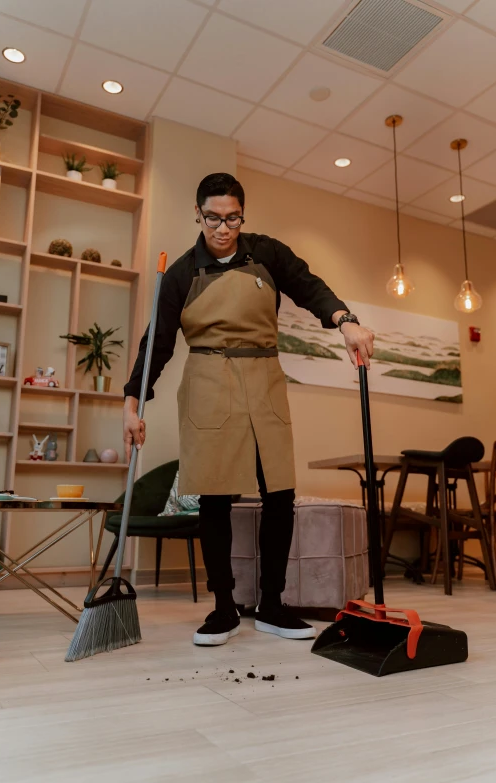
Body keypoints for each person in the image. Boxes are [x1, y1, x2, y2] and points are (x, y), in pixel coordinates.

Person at [123, 173, 374, 647]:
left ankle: (272, 604)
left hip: (264, 380)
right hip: (208, 383)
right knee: (215, 497)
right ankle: (222, 608)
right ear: (197, 214)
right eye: (213, 217)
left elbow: (308, 285)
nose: (223, 227)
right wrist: (131, 402)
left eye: (232, 217)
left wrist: (345, 320)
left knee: (280, 494)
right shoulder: (180, 273)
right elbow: (154, 345)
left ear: (243, 214)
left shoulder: (266, 253)